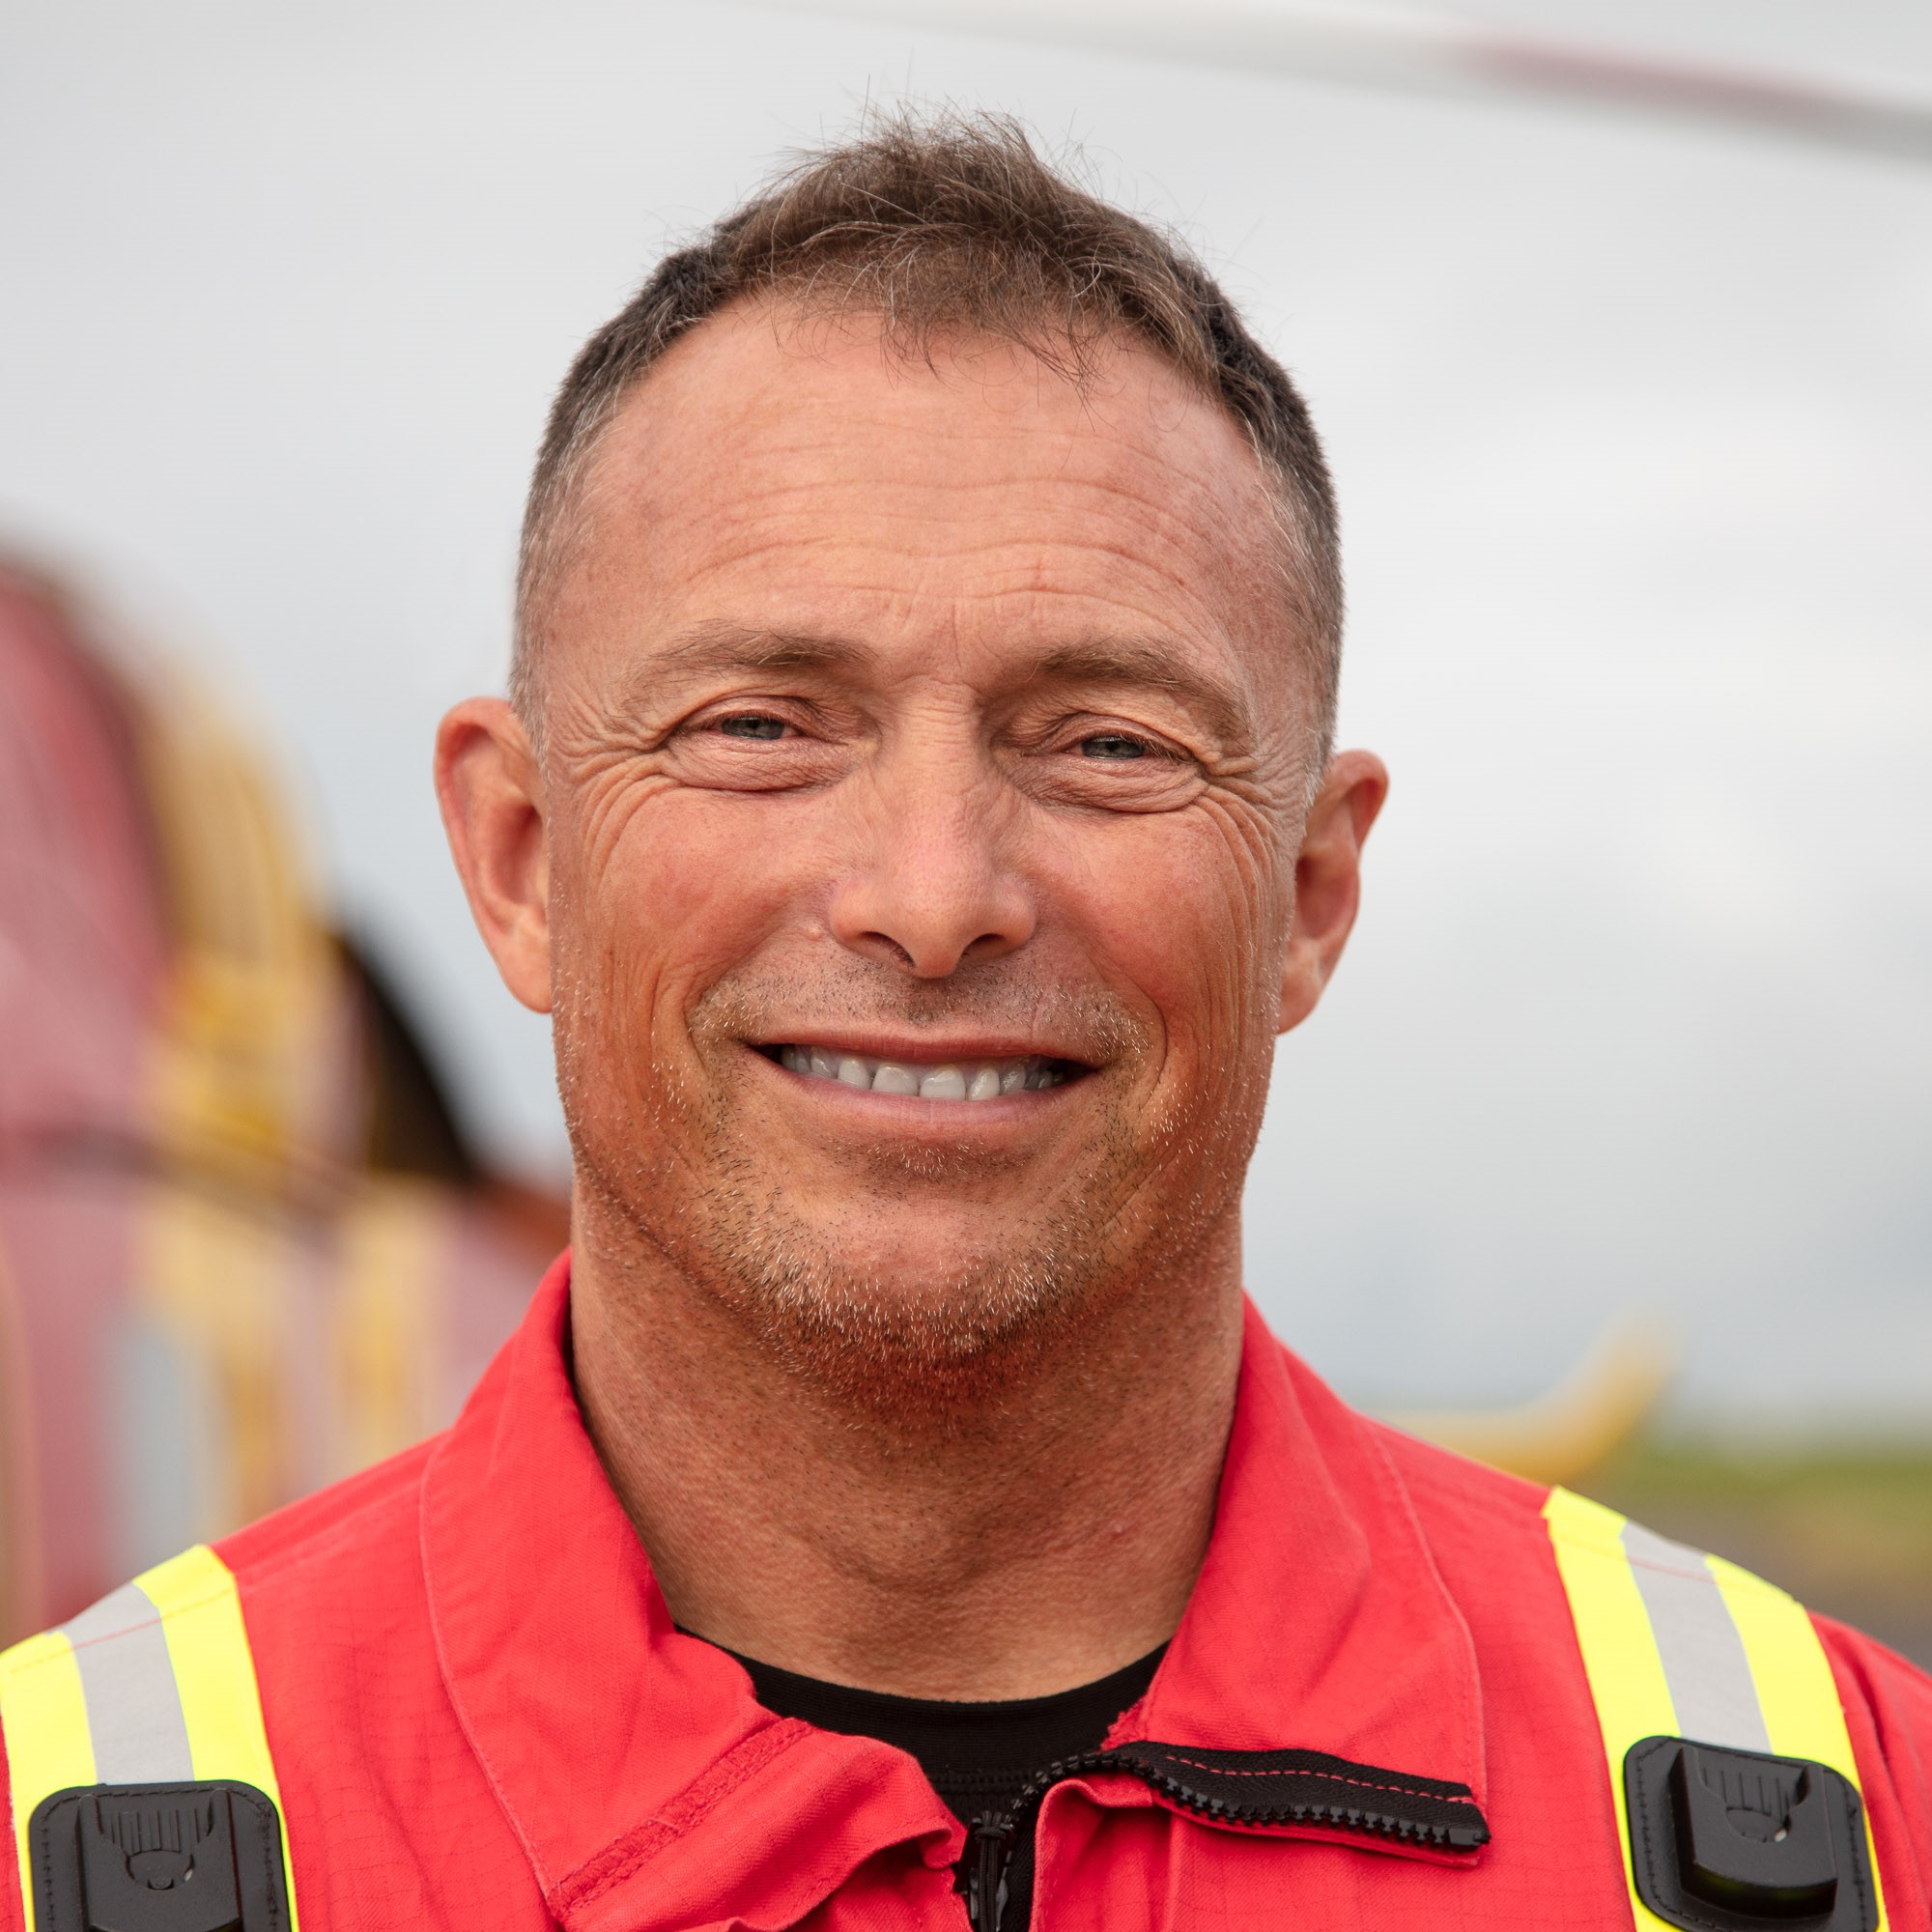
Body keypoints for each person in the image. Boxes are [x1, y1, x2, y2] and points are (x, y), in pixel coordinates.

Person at [3, 113, 1928, 1932]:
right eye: (759, 725)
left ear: (1307, 898)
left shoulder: (1843, 1808)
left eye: (1106, 741)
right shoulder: (50, 1832)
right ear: (519, 857)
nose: (930, 898)